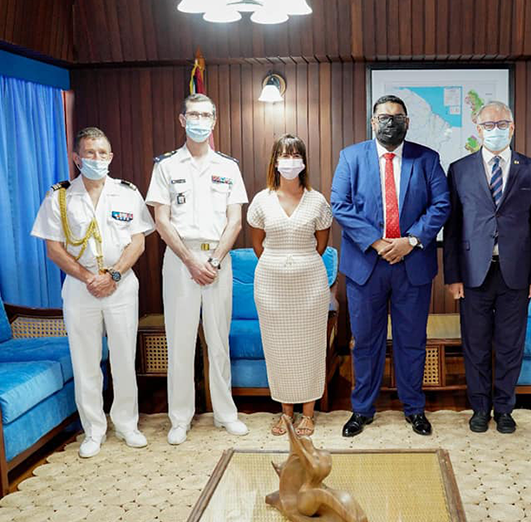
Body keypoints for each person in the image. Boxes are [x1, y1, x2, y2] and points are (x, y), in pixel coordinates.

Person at [330, 95, 450, 437]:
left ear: (407, 122)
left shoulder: (426, 159)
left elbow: (442, 204)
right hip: (366, 266)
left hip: (412, 264)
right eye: (384, 116)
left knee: (412, 341)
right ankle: (362, 410)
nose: (390, 122)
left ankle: (414, 409)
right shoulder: (351, 157)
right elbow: (340, 204)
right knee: (366, 342)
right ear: (372, 121)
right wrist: (378, 242)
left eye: (397, 117)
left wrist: (409, 241)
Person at [31, 127, 154, 458]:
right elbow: (54, 249)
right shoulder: (58, 196)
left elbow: (138, 241)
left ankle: (127, 424)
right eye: (89, 153)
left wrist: (112, 275)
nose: (96, 159)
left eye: (102, 153)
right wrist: (89, 277)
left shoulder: (127, 193)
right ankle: (93, 430)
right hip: (80, 288)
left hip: (121, 284)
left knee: (124, 358)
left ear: (111, 157)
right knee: (85, 361)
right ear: (76, 157)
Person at [145, 93, 249, 445]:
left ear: (214, 121)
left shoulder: (228, 166)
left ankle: (225, 414)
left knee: (218, 341)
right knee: (180, 342)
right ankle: (180, 418)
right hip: (180, 262)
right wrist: (191, 260)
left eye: (206, 115)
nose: (200, 120)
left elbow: (235, 221)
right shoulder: (166, 166)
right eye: (193, 114)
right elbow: (161, 220)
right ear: (182, 119)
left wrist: (215, 261)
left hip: (219, 261)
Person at [443, 101, 531, 434]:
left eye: (502, 124)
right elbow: (453, 228)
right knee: (474, 344)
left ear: (512, 127)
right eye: (488, 125)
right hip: (474, 273)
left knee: (509, 345)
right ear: (478, 130)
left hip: (515, 274)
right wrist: (453, 276)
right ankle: (479, 408)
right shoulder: (459, 169)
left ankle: (504, 408)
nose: (495, 130)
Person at [247, 134, 332, 437]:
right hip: (271, 284)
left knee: (310, 346)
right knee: (279, 348)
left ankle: (308, 413)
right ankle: (285, 414)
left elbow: (321, 244)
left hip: (310, 283)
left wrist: (298, 263)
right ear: (275, 161)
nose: (290, 160)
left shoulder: (317, 200)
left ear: (304, 161)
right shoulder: (262, 200)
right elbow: (258, 245)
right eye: (284, 155)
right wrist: (280, 264)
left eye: (296, 154)